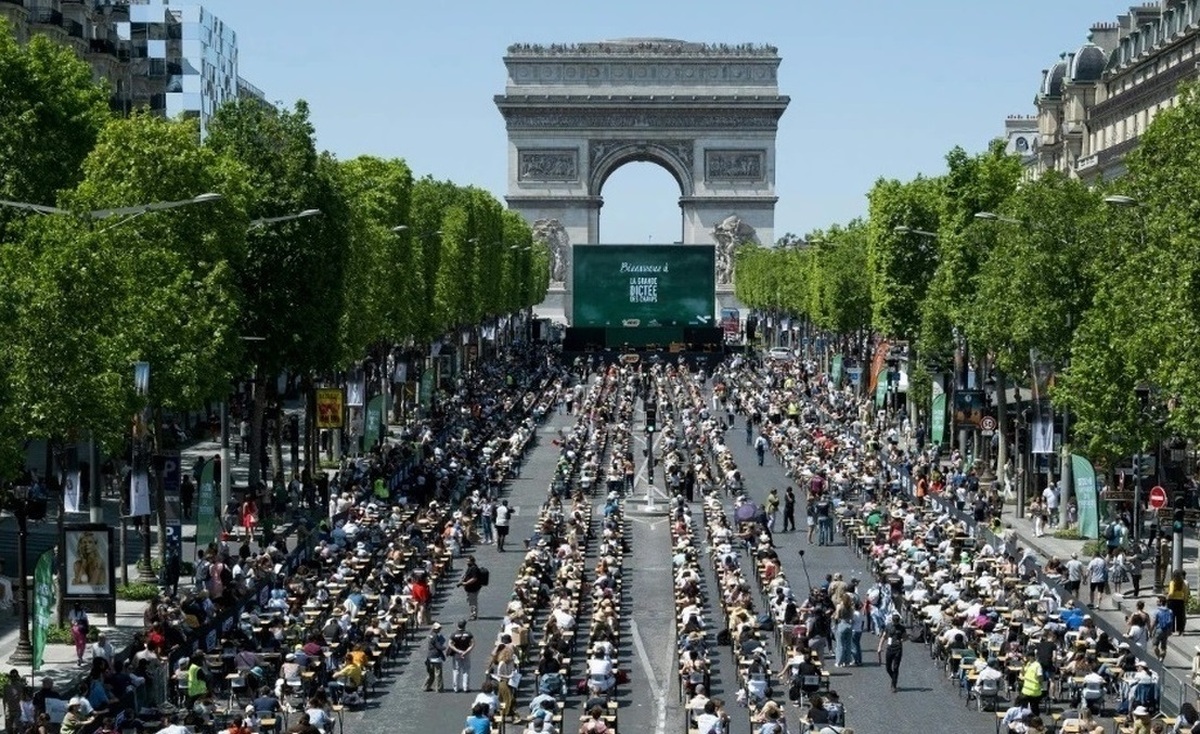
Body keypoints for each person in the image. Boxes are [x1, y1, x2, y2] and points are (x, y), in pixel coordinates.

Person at [876, 613, 905, 692]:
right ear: (892, 620)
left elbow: (905, 637)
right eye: (894, 621)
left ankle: (893, 685)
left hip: (898, 649)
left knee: (895, 667)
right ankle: (894, 678)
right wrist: (879, 647)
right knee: (888, 667)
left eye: (896, 621)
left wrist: (901, 640)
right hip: (890, 649)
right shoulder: (888, 626)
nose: (895, 623)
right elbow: (884, 637)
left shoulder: (902, 628)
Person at [449, 620, 476, 693]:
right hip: (466, 653)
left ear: (458, 625)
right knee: (466, 670)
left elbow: (450, 644)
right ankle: (466, 687)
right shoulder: (469, 634)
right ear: (464, 625)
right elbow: (472, 644)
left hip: (457, 654)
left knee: (456, 670)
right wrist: (466, 652)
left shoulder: (454, 634)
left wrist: (458, 651)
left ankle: (456, 688)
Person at [458, 557, 485, 621]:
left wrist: (466, 583)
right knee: (471, 601)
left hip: (473, 588)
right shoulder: (470, 567)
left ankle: (473, 615)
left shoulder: (474, 569)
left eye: (468, 561)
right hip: (470, 589)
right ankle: (473, 614)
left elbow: (474, 578)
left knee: (473, 602)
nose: (467, 563)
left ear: (472, 561)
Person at [424, 623, 447, 692]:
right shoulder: (435, 636)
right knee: (438, 673)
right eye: (438, 629)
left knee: (431, 674)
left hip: (429, 656)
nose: (439, 630)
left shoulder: (430, 635)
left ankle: (426, 686)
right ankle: (439, 688)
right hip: (436, 657)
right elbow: (438, 647)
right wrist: (444, 647)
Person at [1167, 569, 1189, 635]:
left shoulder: (1172, 582)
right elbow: (1186, 592)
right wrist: (1185, 600)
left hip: (1172, 601)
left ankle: (1172, 630)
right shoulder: (1183, 583)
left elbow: (1171, 592)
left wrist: (1167, 597)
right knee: (1180, 616)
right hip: (1180, 601)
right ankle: (1180, 630)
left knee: (1172, 615)